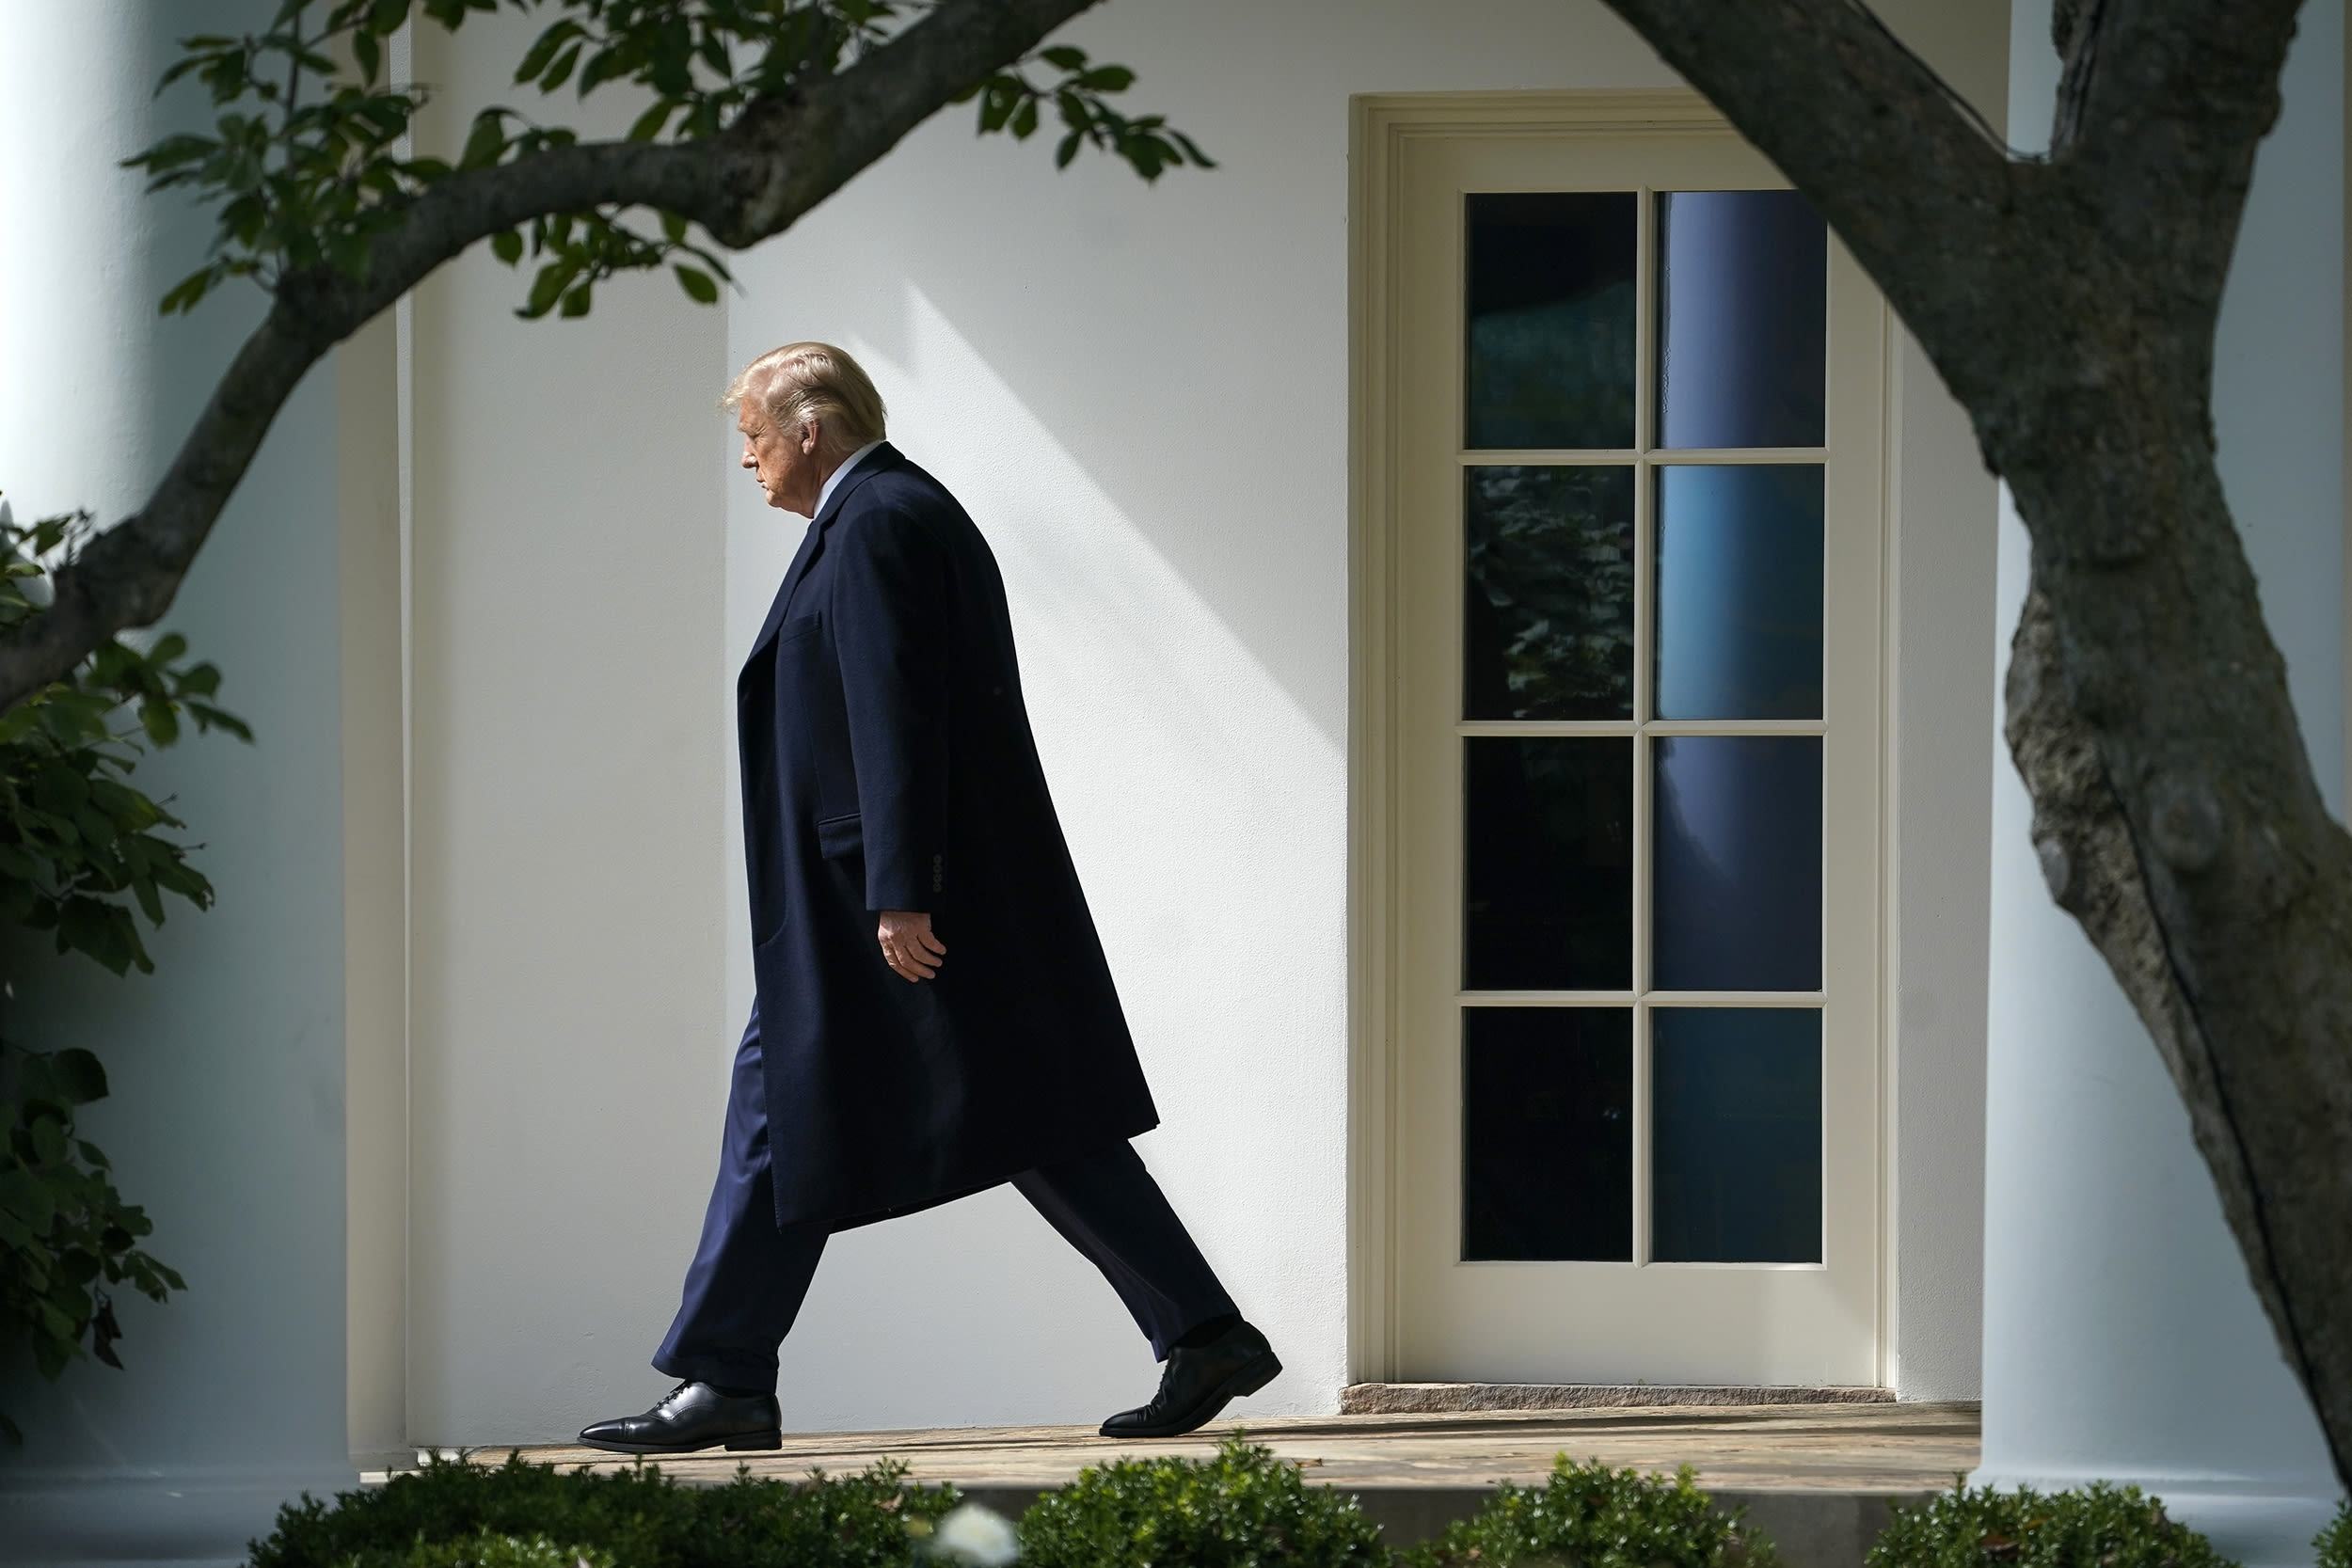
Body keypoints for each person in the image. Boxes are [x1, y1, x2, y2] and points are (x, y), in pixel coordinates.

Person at [579, 343, 1278, 1455]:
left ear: (810, 429)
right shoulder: (878, 517)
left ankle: (724, 1374)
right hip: (893, 893)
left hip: (887, 903)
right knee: (1017, 1112)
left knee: (805, 1105)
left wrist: (900, 891)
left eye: (752, 437)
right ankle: (1202, 1330)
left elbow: (896, 711)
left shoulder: (877, 523)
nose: (747, 461)